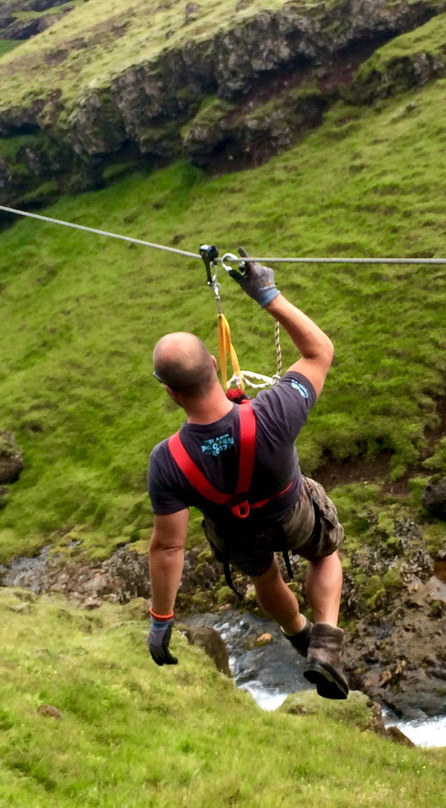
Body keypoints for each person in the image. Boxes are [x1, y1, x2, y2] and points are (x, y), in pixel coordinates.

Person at [144, 254, 349, 699]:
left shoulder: (167, 461)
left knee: (266, 579)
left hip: (235, 533)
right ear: (215, 367)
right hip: (292, 512)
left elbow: (168, 547)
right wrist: (268, 296)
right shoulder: (275, 411)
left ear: (170, 391)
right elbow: (320, 352)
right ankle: (326, 645)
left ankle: (296, 630)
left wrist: (162, 618)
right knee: (324, 553)